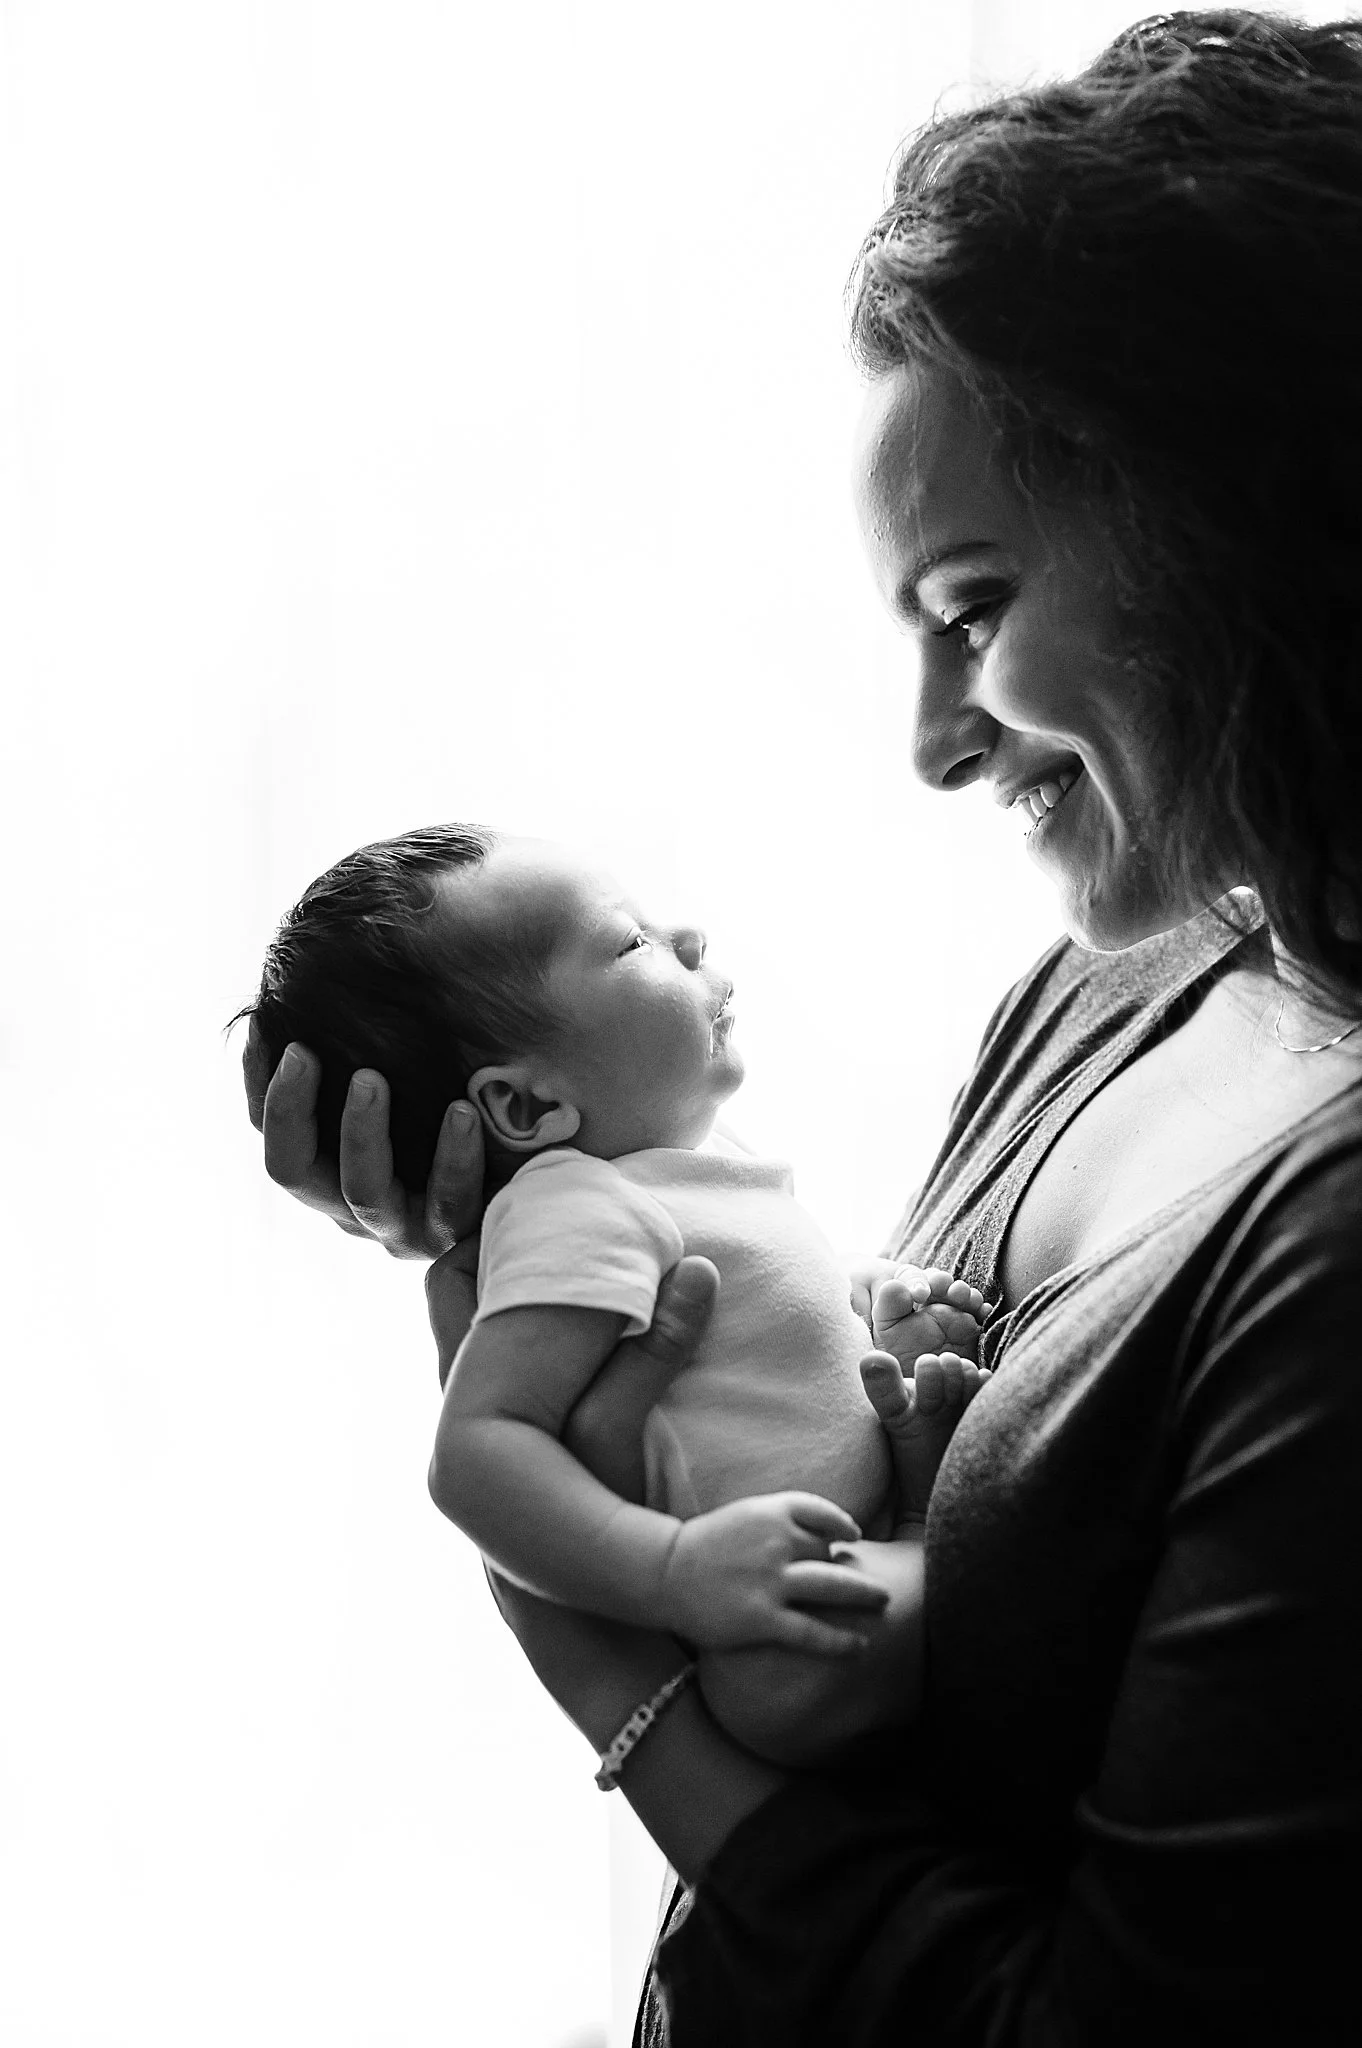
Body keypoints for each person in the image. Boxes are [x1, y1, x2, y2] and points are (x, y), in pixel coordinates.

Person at [244, 11, 1362, 2041]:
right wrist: (513, 1242)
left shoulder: (1336, 1236)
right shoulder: (1095, 993)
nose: (933, 745)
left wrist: (617, 1677)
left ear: (1244, 518)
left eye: (971, 607)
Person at [240, 822, 991, 1760]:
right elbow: (476, 1454)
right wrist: (674, 1571)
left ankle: (919, 1513)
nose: (688, 938)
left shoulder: (683, 1173)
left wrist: (864, 1297)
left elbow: (751, 1322)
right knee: (794, 1672)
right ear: (525, 1107)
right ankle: (927, 1536)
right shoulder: (573, 1208)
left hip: (841, 1537)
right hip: (775, 1614)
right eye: (631, 941)